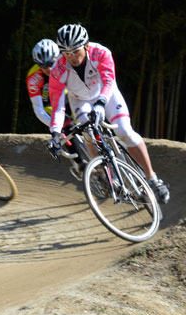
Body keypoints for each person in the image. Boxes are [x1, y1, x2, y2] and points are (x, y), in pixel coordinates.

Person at [48, 23, 170, 204]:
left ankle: (152, 178)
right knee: (88, 134)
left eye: (76, 51)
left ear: (86, 45)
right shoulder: (58, 70)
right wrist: (55, 133)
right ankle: (107, 176)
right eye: (66, 53)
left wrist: (101, 103)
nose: (72, 57)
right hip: (80, 100)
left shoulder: (100, 52)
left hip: (107, 93)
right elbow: (58, 106)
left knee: (124, 131)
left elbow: (108, 81)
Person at [28, 38, 83, 176]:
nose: (48, 68)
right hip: (51, 105)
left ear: (58, 56)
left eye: (51, 63)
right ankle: (80, 164)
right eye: (43, 65)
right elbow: (38, 109)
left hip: (70, 95)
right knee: (65, 126)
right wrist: (56, 129)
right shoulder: (33, 77)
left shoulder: (68, 62)